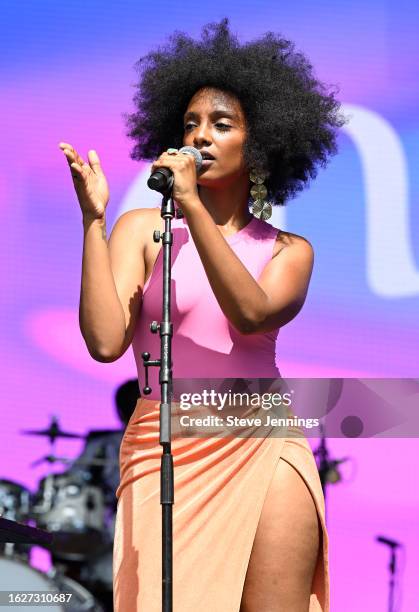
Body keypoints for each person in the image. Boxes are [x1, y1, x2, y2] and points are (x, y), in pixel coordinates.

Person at [59, 19, 344, 611]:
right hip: (164, 443)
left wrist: (193, 206)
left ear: (258, 142)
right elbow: (106, 342)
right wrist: (93, 221)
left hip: (261, 438)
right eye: (190, 124)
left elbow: (251, 315)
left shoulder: (290, 252)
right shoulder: (143, 229)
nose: (200, 137)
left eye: (221, 124)